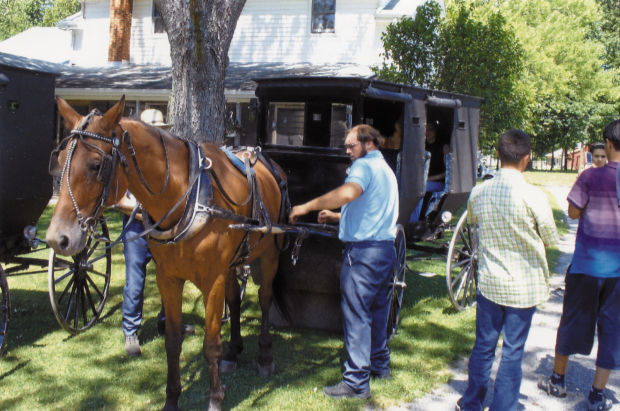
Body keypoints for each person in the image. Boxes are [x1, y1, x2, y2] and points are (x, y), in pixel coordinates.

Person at [289, 124, 399, 399]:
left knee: (357, 315)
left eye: (351, 145)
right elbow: (372, 209)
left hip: (362, 255)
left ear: (369, 144)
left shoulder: (363, 166)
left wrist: (306, 206)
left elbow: (348, 193)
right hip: (385, 251)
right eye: (346, 146)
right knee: (377, 311)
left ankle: (355, 382)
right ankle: (380, 366)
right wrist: (338, 217)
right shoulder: (385, 170)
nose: (347, 151)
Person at [456, 129, 559, 411]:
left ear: (499, 155)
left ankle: (472, 402)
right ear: (528, 157)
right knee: (513, 350)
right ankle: (504, 406)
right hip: (524, 287)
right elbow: (551, 239)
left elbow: (473, 220)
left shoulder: (480, 191)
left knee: (483, 346)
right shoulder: (534, 196)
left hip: (490, 282)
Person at [538, 120, 620, 411]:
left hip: (587, 264)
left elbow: (572, 212)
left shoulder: (590, 177)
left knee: (572, 321)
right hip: (618, 272)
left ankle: (557, 379)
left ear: (607, 144)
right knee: (612, 329)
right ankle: (597, 394)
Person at [410, 122, 450, 222]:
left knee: (421, 187)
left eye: (431, 129)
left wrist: (429, 179)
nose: (428, 132)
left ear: (436, 131)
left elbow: (448, 172)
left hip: (438, 183)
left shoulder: (443, 147)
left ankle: (414, 222)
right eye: (426, 129)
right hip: (423, 180)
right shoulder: (421, 146)